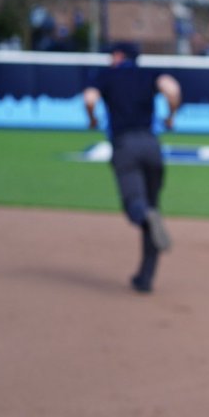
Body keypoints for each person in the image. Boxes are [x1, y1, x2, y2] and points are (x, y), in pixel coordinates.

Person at [82, 41, 181, 293]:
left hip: (125, 146)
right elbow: (171, 89)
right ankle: (145, 278)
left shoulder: (106, 75)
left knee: (135, 205)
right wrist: (171, 116)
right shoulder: (148, 74)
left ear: (117, 55)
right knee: (153, 207)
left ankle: (143, 215)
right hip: (151, 145)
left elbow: (89, 98)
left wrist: (92, 118)